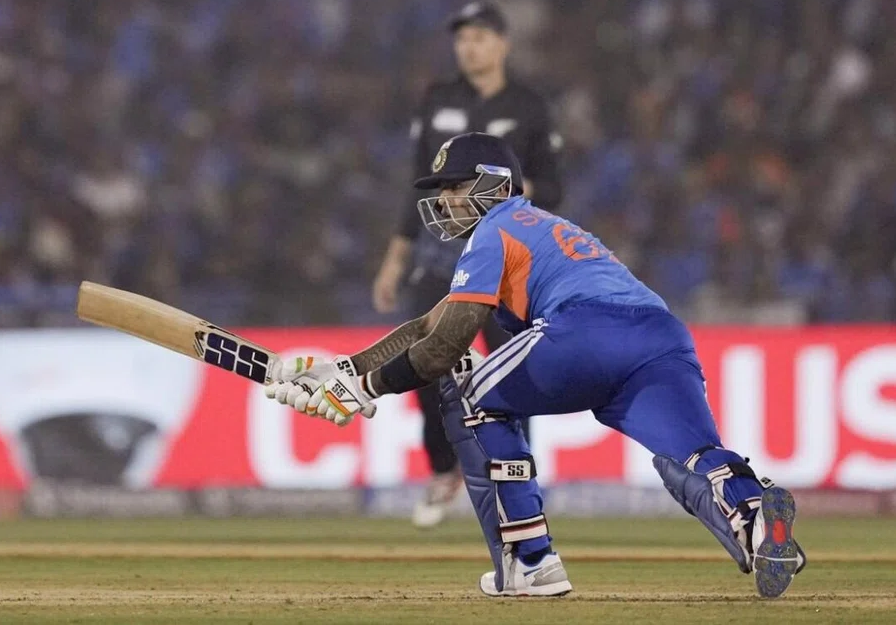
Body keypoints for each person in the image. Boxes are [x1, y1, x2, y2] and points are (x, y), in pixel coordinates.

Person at [265, 133, 806, 599]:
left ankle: (530, 562)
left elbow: (444, 347)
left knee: (469, 394)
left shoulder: (493, 229)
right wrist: (343, 370)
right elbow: (427, 326)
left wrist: (364, 387)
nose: (445, 201)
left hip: (585, 330)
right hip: (661, 337)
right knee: (693, 456)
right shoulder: (536, 226)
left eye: (455, 187)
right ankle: (757, 524)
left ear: (494, 183)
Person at [372, 0, 563, 528]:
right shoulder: (438, 99)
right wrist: (395, 260)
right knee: (423, 360)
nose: (468, 47)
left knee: (514, 369)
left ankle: (518, 479)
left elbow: (553, 188)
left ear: (502, 43)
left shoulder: (529, 106)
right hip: (440, 255)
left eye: (479, 37)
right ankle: (443, 469)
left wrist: (500, 191)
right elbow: (417, 183)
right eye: (462, 38)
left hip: (506, 259)